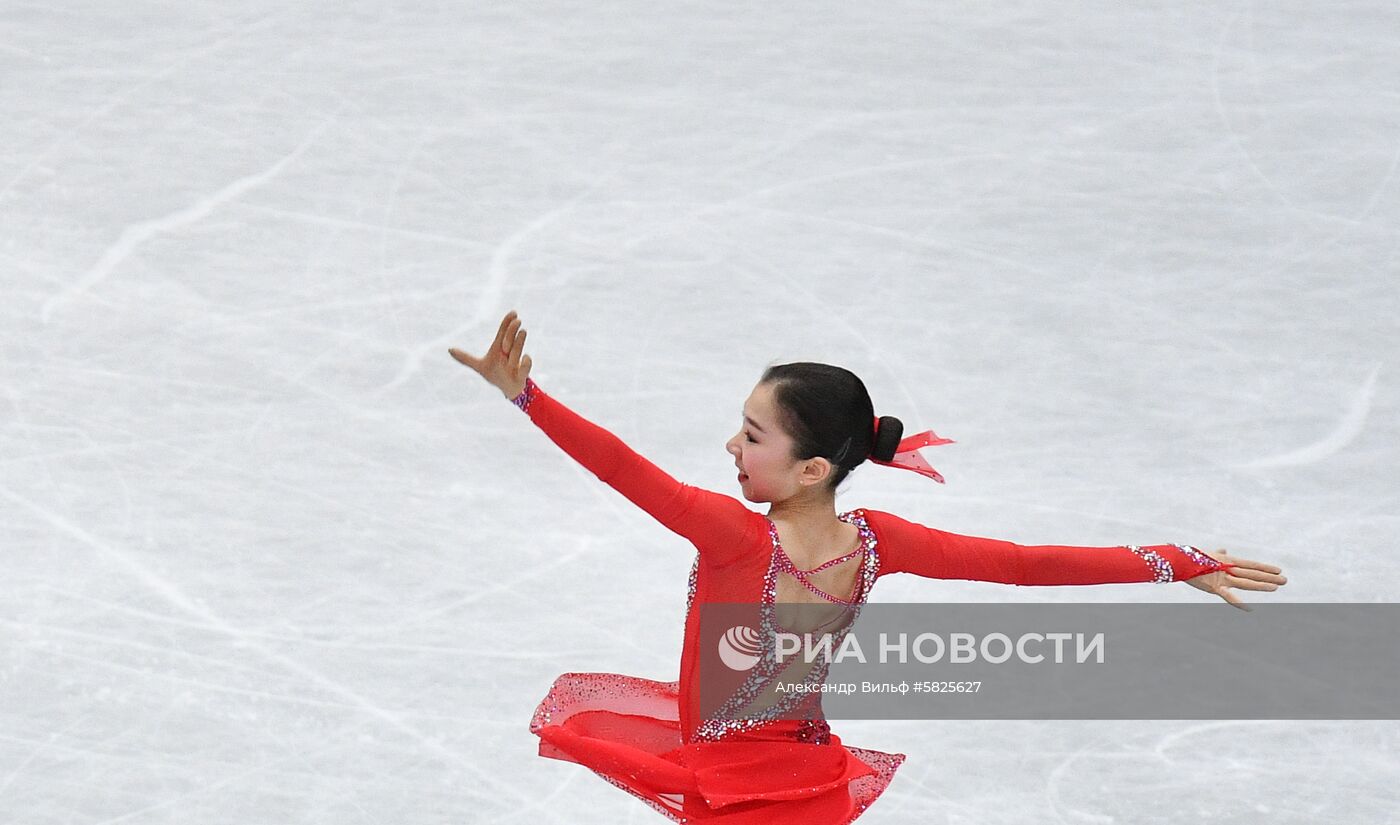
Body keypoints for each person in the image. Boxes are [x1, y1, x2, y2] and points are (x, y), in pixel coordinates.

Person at [449, 309, 1288, 824]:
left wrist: (527, 397)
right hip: (806, 780)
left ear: (813, 467)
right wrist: (1173, 563)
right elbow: (1027, 565)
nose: (731, 446)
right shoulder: (876, 541)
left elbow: (620, 467)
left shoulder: (732, 535)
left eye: (752, 434)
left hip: (743, 786)